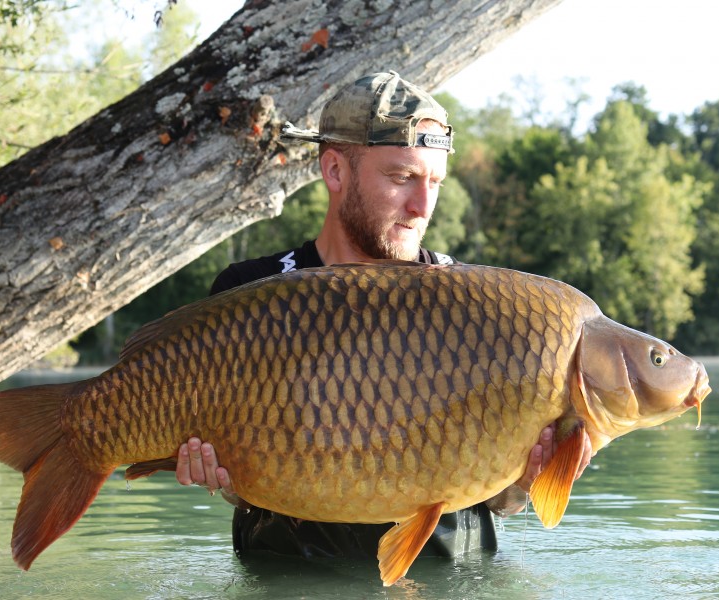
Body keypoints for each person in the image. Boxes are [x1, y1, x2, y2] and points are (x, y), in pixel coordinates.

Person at [174, 71, 592, 559]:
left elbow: (505, 501)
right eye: (402, 177)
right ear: (335, 172)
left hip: (451, 582)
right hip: (292, 581)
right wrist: (218, 475)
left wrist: (528, 479)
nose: (422, 206)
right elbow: (238, 480)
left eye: (434, 181)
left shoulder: (478, 306)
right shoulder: (250, 296)